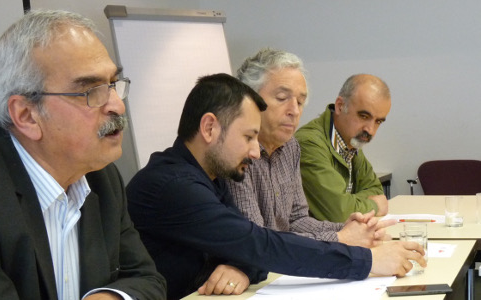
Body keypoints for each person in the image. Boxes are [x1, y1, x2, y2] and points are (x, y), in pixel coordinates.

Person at [0, 10, 165, 300]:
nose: (117, 104)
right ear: (27, 115)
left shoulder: (101, 176)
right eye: (91, 91)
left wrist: (109, 297)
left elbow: (146, 279)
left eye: (113, 83)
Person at [126, 73, 425, 300]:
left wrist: (241, 265)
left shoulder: (213, 175)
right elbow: (259, 244)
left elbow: (249, 246)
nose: (255, 152)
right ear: (209, 128)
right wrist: (368, 261)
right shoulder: (174, 186)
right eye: (248, 137)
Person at [227, 48, 393, 248]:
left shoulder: (290, 148)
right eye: (282, 98)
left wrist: (345, 228)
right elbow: (257, 241)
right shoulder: (234, 152)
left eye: (300, 101)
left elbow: (297, 221)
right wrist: (340, 237)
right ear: (249, 99)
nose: (295, 111)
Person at [295, 74, 391, 223]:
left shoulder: (350, 142)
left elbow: (376, 189)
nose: (370, 130)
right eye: (364, 116)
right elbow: (339, 213)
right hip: (317, 242)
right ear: (340, 106)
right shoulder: (309, 143)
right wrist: (374, 205)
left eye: (378, 121)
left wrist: (349, 202)